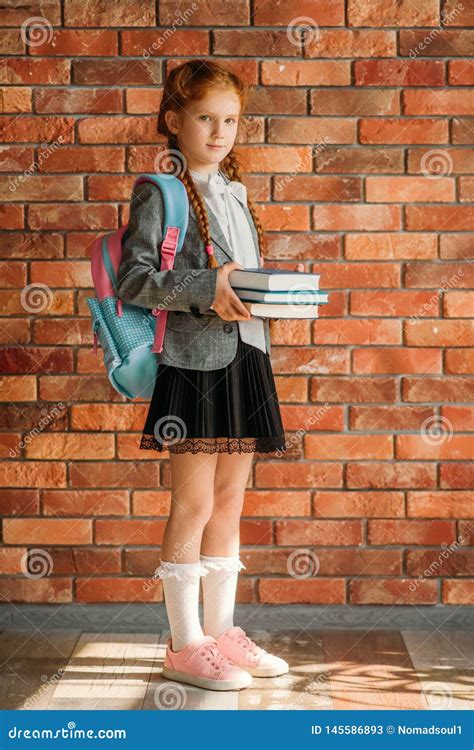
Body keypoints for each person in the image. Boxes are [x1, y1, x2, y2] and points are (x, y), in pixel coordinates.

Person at [116, 59, 304, 692]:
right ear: (175, 121)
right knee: (193, 503)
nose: (220, 131)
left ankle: (222, 633)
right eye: (206, 118)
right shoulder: (159, 191)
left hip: (247, 356)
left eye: (230, 121)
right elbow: (136, 279)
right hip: (194, 366)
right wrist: (207, 287)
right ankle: (183, 643)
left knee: (230, 501)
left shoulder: (235, 191)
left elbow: (239, 279)